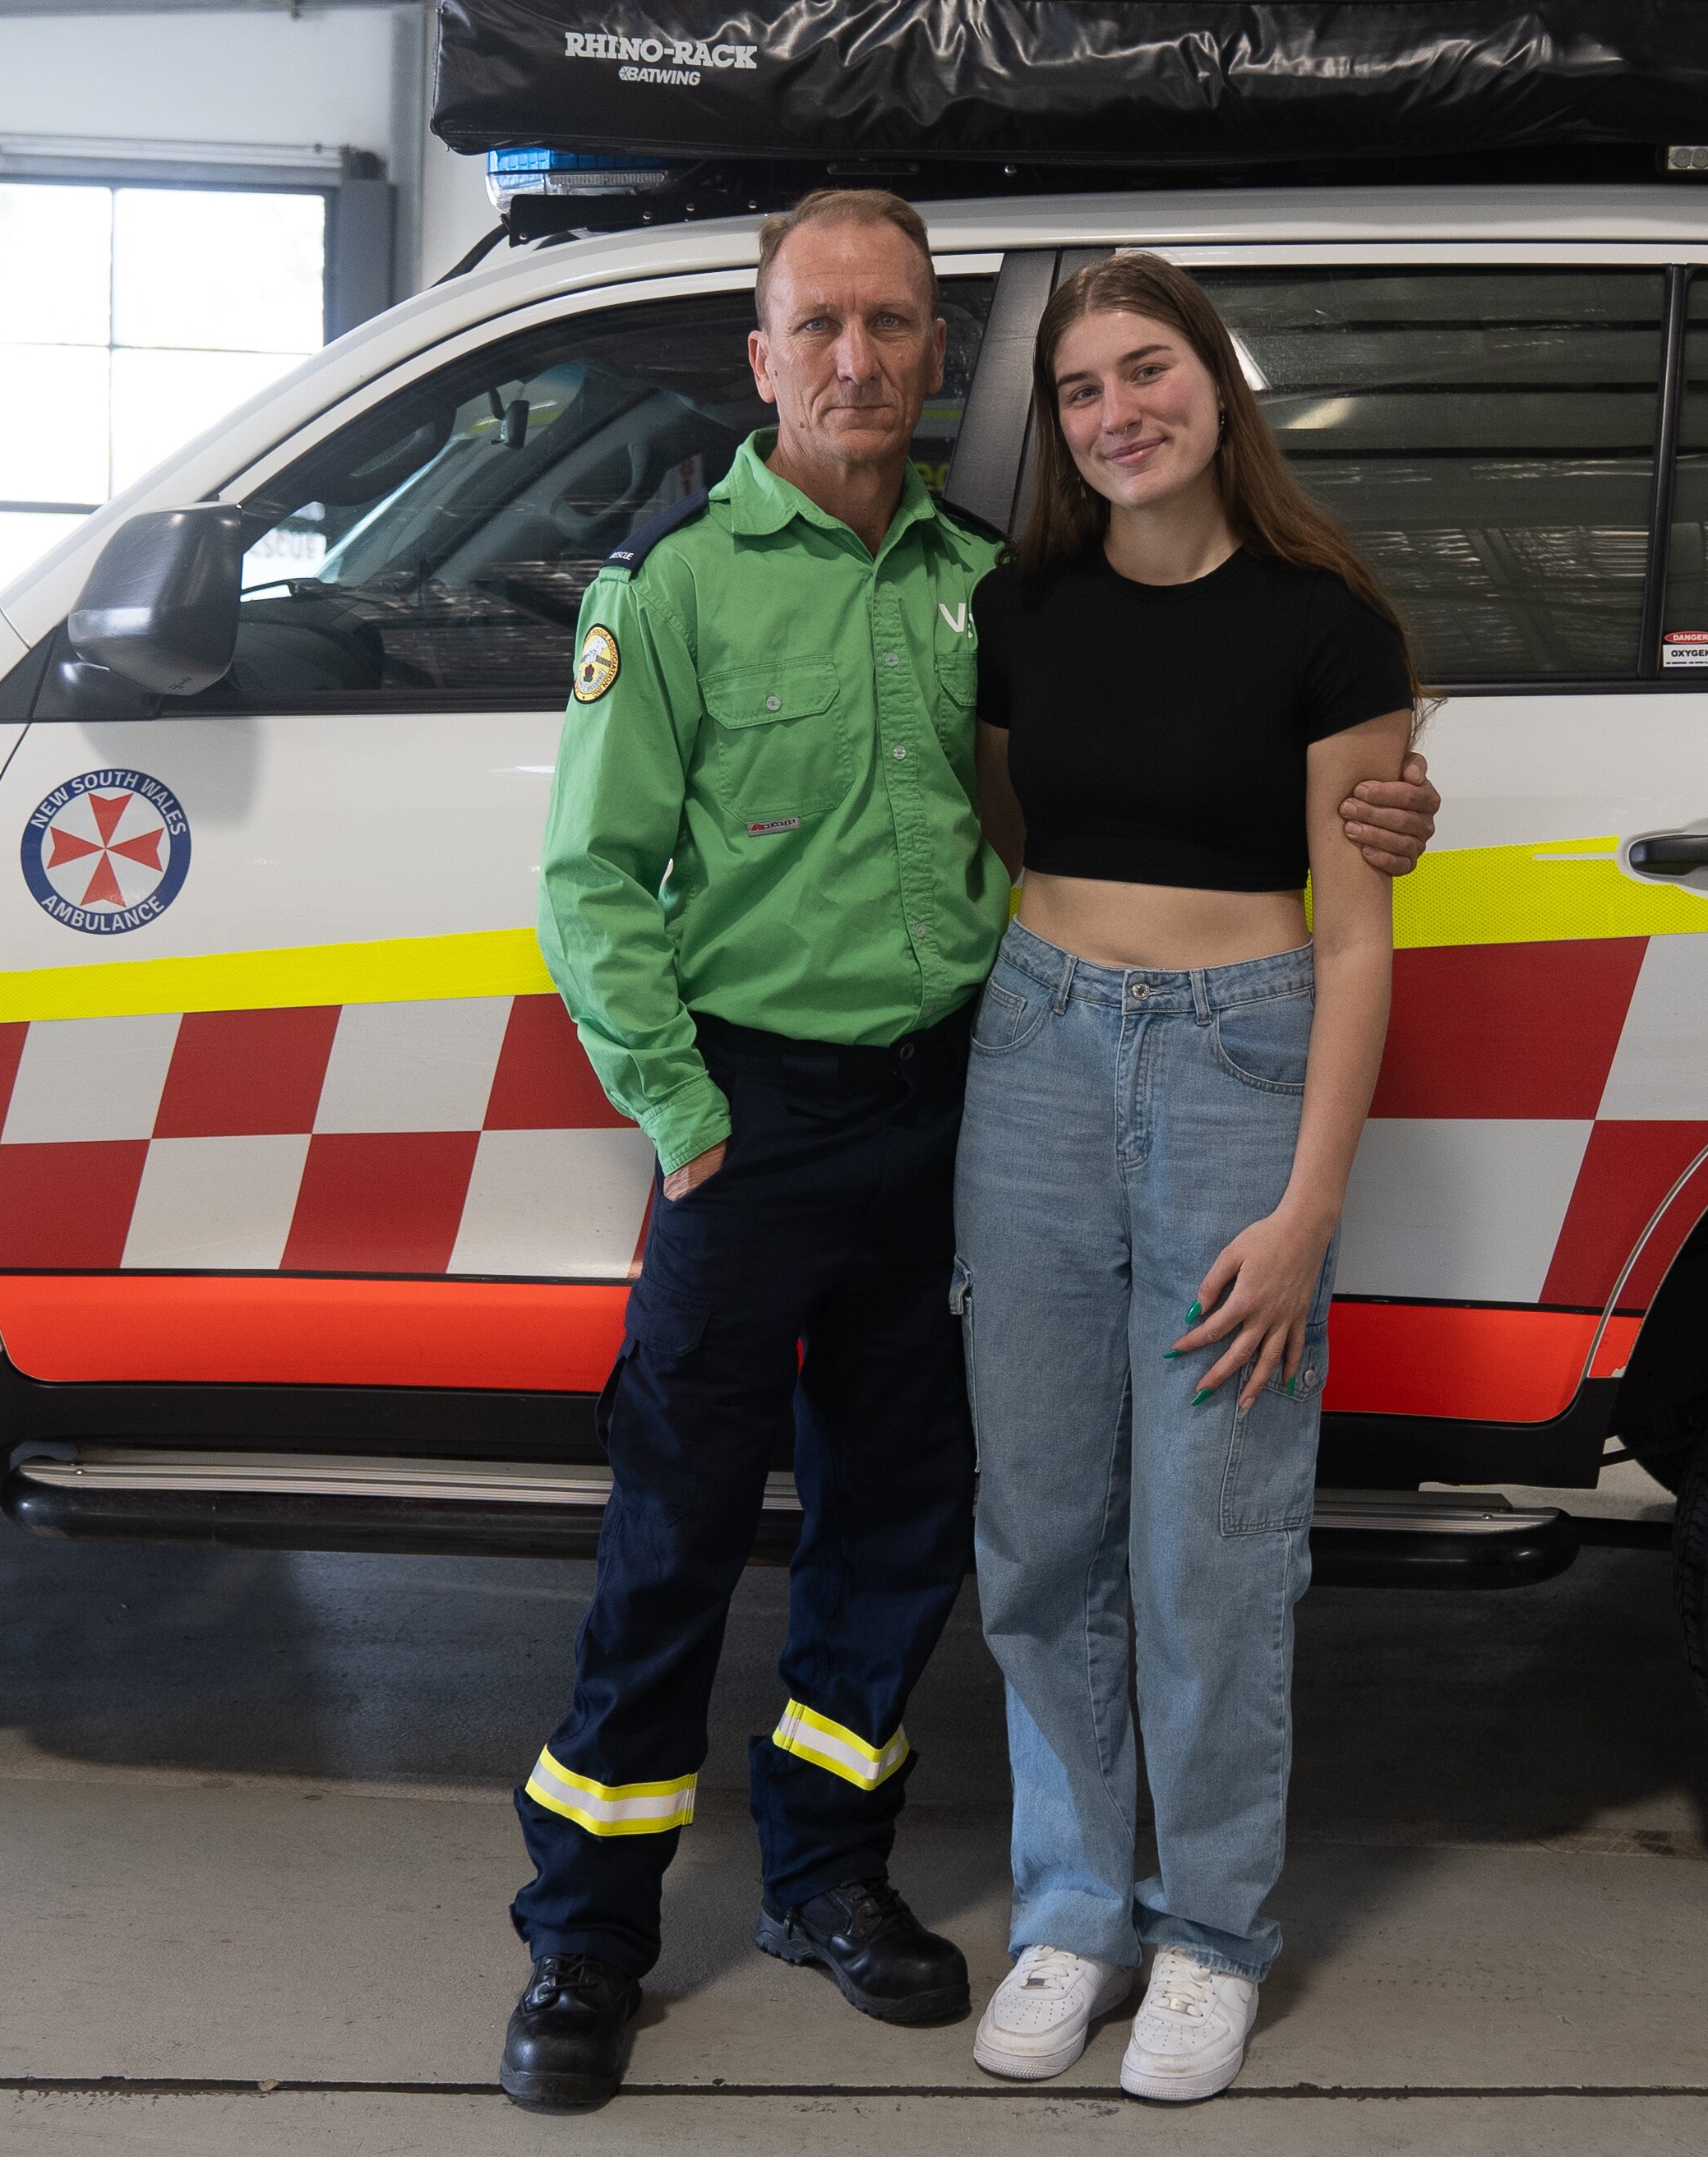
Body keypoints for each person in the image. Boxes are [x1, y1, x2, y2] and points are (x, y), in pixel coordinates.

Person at [515, 192, 1443, 2115]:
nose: (857, 358)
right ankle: (589, 1932)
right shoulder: (680, 587)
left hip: (960, 1097)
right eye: (818, 327)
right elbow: (595, 883)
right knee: (686, 1521)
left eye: (893, 324)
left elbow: (1059, 817)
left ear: (939, 359)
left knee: (905, 1525)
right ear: (762, 359)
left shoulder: (975, 585)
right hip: (763, 1126)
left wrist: (1379, 804)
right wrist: (689, 1127)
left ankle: (832, 1881)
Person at [957, 252, 1419, 2104]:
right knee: (1045, 1521)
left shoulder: (1329, 626)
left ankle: (1211, 1930)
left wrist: (1309, 1208)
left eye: (1147, 372)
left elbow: (1362, 940)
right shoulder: (1019, 606)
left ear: (1218, 390)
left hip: (1244, 1061)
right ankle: (1075, 1909)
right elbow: (1007, 825)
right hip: (1036, 1050)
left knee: (1212, 1534)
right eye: (1080, 388)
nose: (1115, 411)